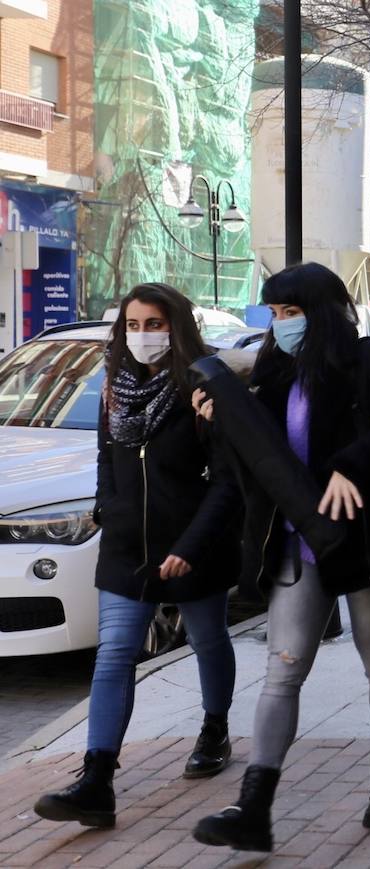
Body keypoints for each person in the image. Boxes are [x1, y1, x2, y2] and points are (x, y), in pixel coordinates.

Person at [190, 262, 370, 852]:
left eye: (290, 313)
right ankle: (254, 805)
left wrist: (353, 465)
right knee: (283, 668)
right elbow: (256, 466)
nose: (280, 324)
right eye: (273, 313)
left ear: (318, 312)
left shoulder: (367, 359)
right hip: (297, 542)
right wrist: (223, 423)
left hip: (366, 536)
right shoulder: (272, 370)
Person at [33, 283, 241, 829]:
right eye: (133, 325)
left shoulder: (204, 387)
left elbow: (227, 482)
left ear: (177, 326)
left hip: (194, 546)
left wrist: (191, 546)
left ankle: (214, 728)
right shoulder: (115, 391)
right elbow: (108, 459)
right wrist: (108, 510)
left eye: (155, 324)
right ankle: (96, 780)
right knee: (114, 654)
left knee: (207, 638)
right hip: (127, 547)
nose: (143, 335)